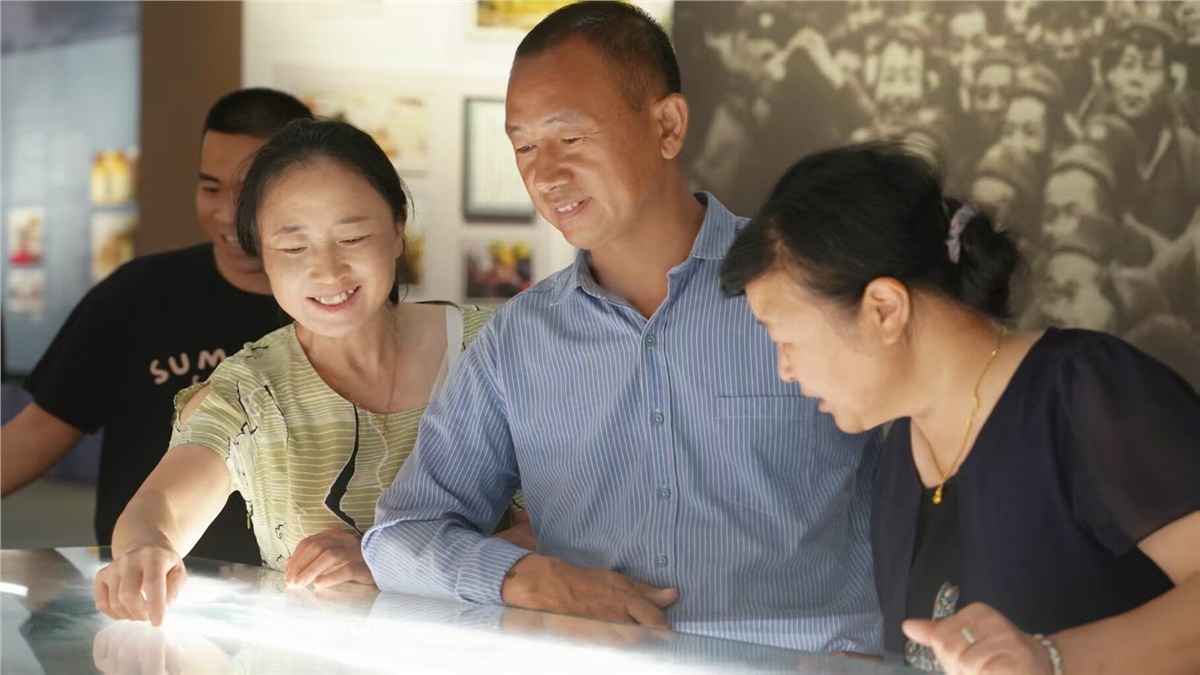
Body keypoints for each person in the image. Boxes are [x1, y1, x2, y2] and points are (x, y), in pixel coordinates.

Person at [363, 1, 882, 655]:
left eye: (570, 138)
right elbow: (399, 537)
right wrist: (529, 579)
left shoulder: (813, 285)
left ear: (667, 125)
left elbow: (944, 481)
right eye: (523, 146)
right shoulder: (517, 341)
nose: (545, 174)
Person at [720, 141, 1199, 673]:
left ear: (884, 309)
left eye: (786, 340)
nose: (784, 370)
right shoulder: (900, 452)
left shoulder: (1084, 392)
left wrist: (1053, 659)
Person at [90, 120, 507, 627]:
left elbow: (562, 535)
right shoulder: (249, 389)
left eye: (351, 237)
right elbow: (163, 506)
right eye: (293, 248)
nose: (328, 271)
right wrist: (146, 550)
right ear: (262, 254)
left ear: (398, 230)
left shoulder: (492, 348)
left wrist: (392, 562)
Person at [1, 89, 313, 565]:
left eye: (251, 190)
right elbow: (36, 434)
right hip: (142, 581)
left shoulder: (331, 307)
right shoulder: (138, 294)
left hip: (291, 589)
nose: (227, 213)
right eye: (210, 188)